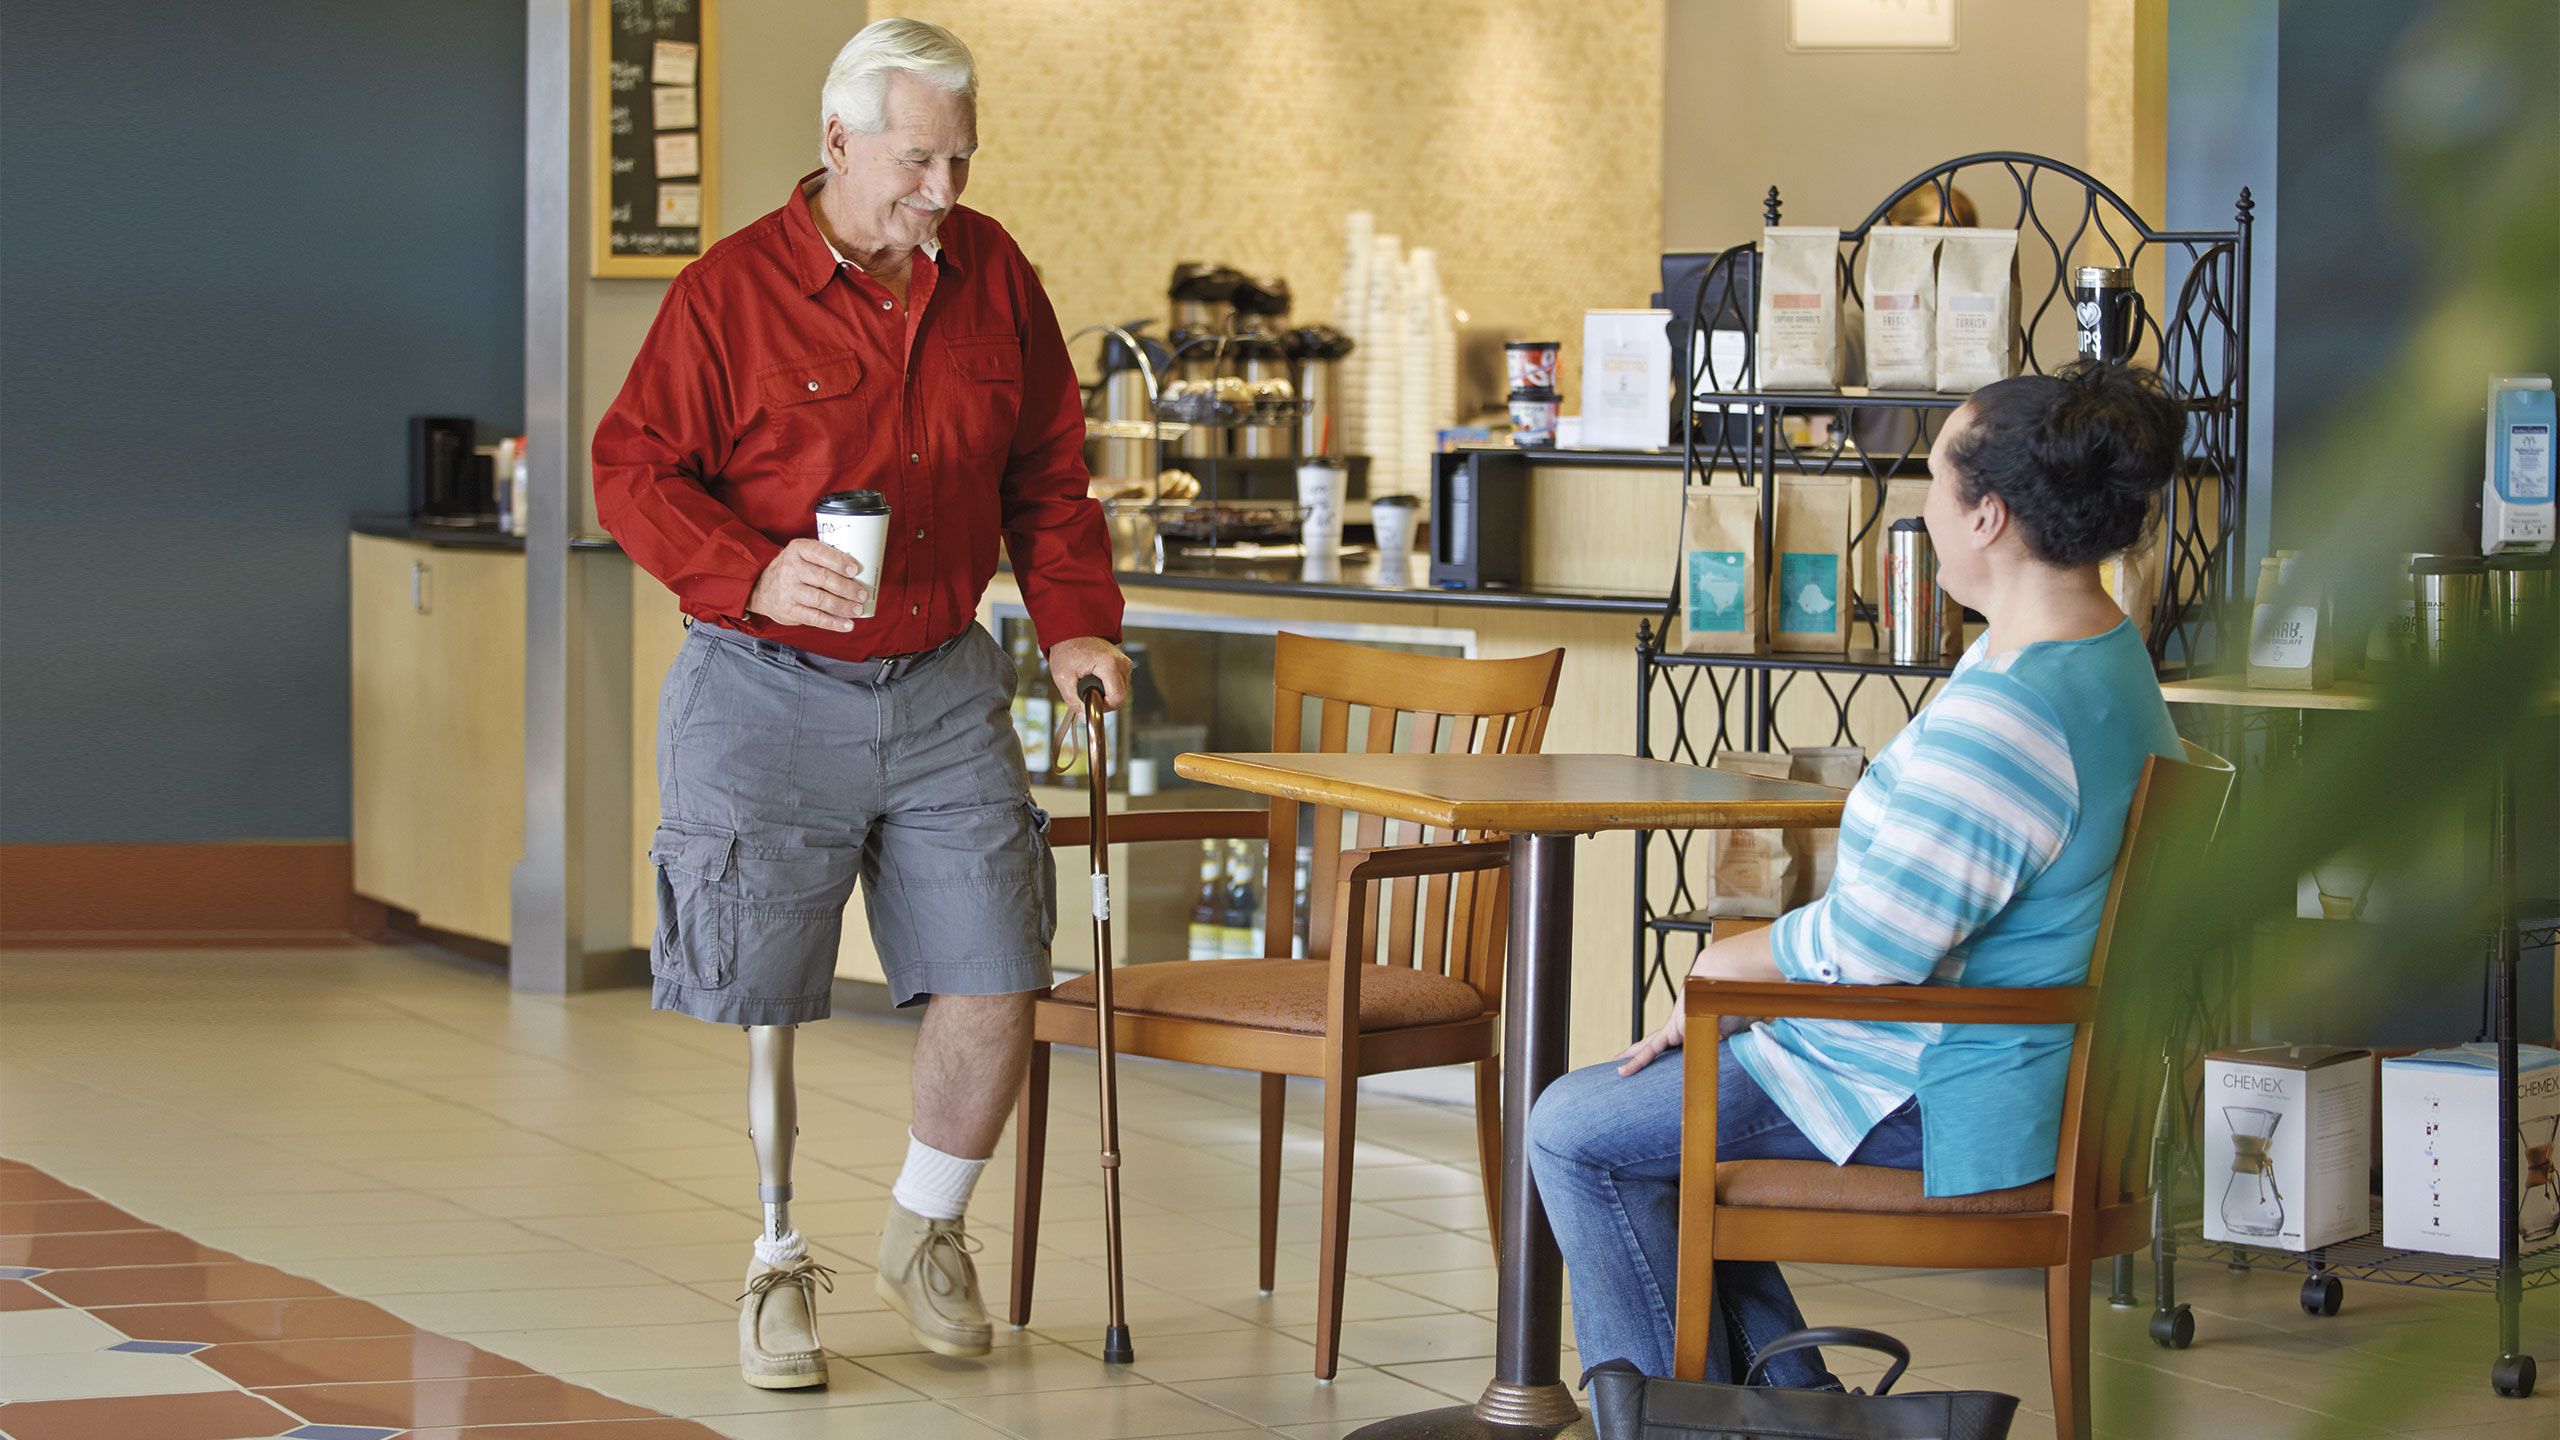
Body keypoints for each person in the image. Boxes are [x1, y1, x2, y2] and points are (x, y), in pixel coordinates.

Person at [591, 18, 1130, 1389]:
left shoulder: (993, 273)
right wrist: (754, 573)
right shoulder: (727, 295)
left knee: (1000, 966)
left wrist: (1074, 626)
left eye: (957, 159)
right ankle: (777, 1263)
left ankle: (927, 1228)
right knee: (770, 985)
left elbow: (1049, 476)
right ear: (839, 144)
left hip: (944, 682)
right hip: (763, 687)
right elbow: (634, 473)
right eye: (915, 161)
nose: (941, 191)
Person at [1527, 361, 2187, 1387]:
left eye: (1933, 486)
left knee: (1576, 1132)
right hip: (2013, 1069)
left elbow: (1870, 953)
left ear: (1988, 519)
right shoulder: (2101, 658)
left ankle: (1693, 1430)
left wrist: (1727, 976)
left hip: (1944, 1090)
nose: (1919, 513)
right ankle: (1794, 1418)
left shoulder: (2010, 717)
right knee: (1647, 1145)